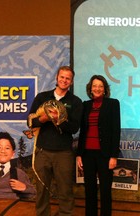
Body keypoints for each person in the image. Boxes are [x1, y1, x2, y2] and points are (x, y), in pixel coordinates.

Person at [28, 66, 82, 215]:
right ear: (57, 78)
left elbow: (74, 128)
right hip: (43, 151)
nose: (64, 80)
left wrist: (59, 120)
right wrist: (43, 119)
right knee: (42, 190)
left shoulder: (75, 102)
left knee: (65, 190)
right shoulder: (42, 97)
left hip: (64, 153)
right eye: (62, 77)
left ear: (71, 82)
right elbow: (31, 122)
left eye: (68, 78)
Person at [76, 75, 121, 216]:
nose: (97, 88)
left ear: (105, 89)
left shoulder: (113, 104)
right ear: (90, 88)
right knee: (89, 190)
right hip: (87, 153)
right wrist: (79, 154)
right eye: (94, 86)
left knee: (105, 191)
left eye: (100, 86)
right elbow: (83, 131)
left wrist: (114, 156)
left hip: (105, 155)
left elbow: (116, 130)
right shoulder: (85, 105)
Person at [0, 132, 36, 199]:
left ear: (13, 153)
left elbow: (33, 194)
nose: (3, 151)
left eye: (7, 148)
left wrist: (24, 188)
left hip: (14, 207)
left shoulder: (19, 173)